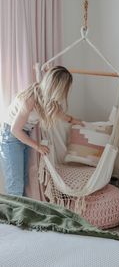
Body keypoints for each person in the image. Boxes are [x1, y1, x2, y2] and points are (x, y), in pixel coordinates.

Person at [0, 66, 83, 196]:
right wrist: (38, 146)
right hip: (11, 135)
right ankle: (11, 216)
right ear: (57, 88)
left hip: (24, 134)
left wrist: (75, 121)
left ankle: (21, 212)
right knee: (15, 184)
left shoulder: (49, 101)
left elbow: (61, 115)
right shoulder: (30, 99)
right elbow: (15, 130)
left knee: (23, 180)